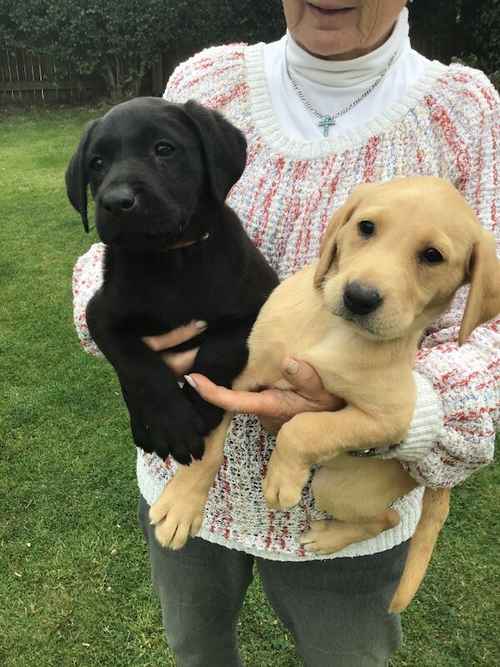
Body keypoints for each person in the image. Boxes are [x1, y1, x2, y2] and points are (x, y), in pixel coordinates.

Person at [72, 1, 499, 665]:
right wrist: (129, 341)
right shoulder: (207, 81)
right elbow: (119, 249)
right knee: (196, 651)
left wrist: (391, 411)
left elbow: (492, 337)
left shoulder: (466, 111)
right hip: (184, 474)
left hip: (345, 499)